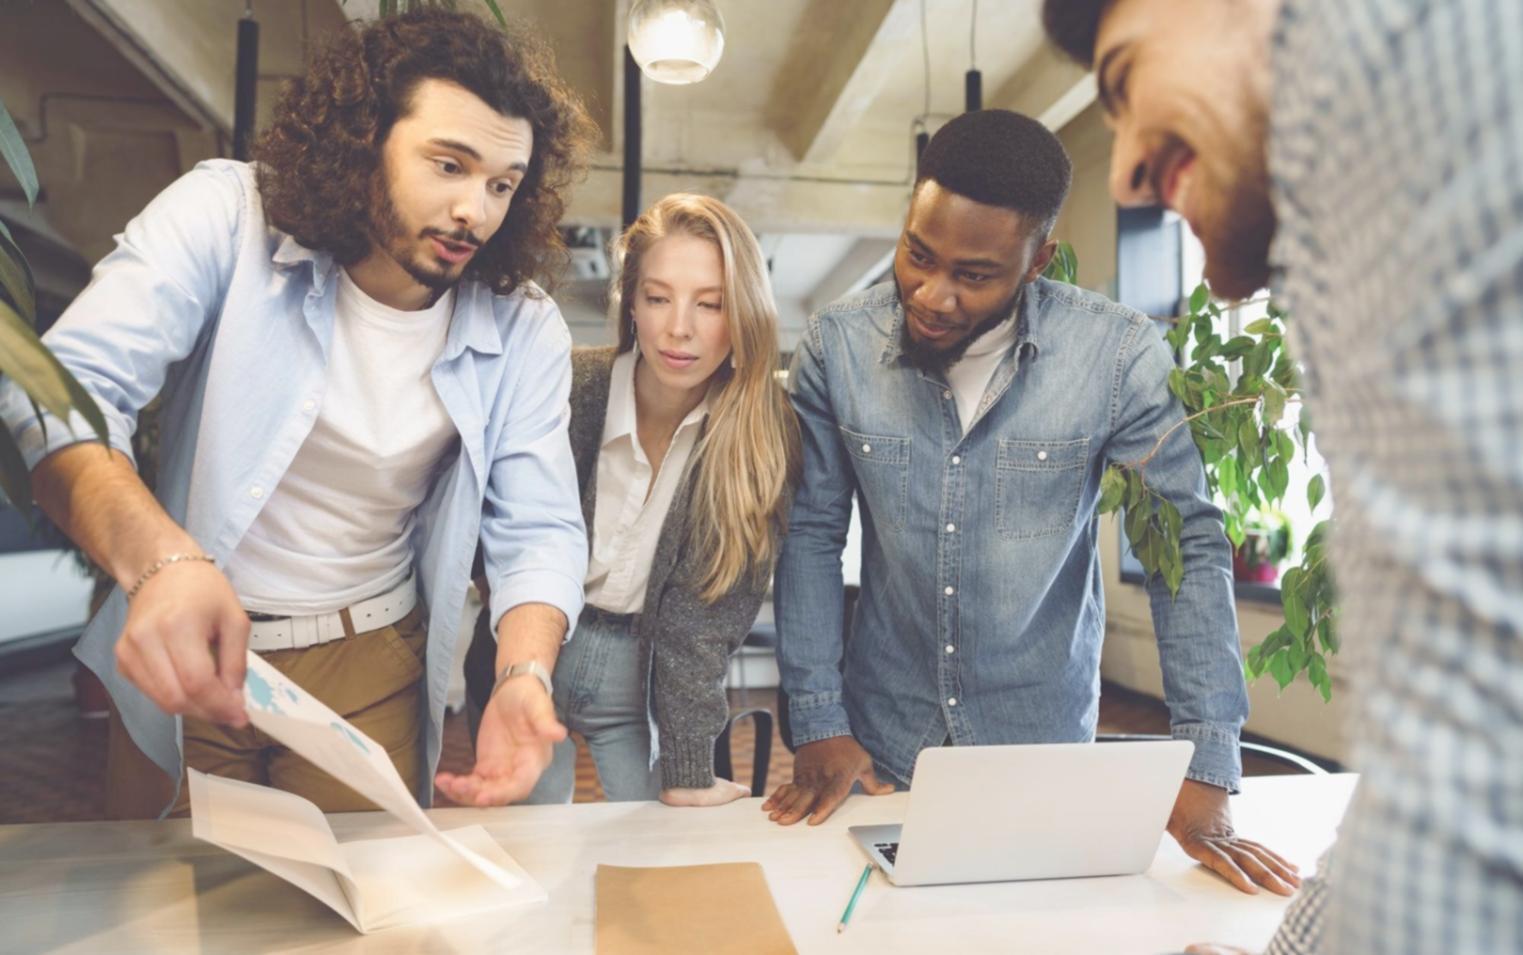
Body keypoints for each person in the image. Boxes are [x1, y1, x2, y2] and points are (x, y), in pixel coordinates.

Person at [0, 9, 597, 818]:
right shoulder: (228, 217)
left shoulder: (521, 325)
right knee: (178, 917)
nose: (475, 212)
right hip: (193, 645)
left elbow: (538, 526)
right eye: (448, 165)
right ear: (363, 141)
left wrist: (524, 671)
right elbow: (58, 389)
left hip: (371, 665)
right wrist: (162, 565)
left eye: (501, 184)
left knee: (355, 926)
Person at [1042, 1, 1523, 952]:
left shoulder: (1405, 75)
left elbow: (1475, 761)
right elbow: (1429, 739)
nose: (1128, 168)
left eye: (1123, 80)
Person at [763, 108, 1301, 897]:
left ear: (1037, 259)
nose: (932, 294)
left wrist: (1206, 761)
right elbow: (810, 534)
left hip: (1042, 742)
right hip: (882, 735)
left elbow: (1183, 543)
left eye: (973, 274)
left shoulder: (1115, 357)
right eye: (918, 254)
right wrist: (819, 719)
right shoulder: (836, 348)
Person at [464, 194, 801, 807]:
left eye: (711, 304)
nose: (680, 329)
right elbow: (493, 528)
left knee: (655, 864)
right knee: (532, 855)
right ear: (631, 303)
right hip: (529, 654)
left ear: (745, 313)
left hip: (641, 677)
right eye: (658, 298)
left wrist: (690, 770)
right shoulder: (566, 386)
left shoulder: (760, 440)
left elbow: (701, 626)